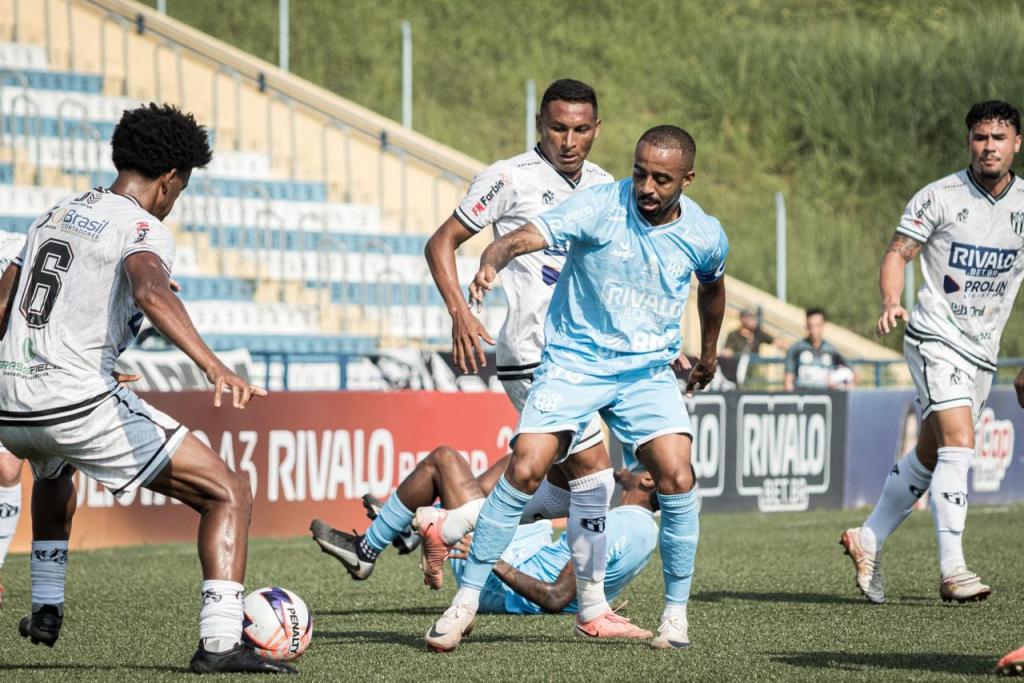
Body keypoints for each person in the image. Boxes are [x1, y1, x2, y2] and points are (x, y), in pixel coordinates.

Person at [0, 104, 293, 674]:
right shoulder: (143, 226)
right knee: (228, 490)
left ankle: (46, 608)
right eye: (180, 189)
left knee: (54, 465)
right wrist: (214, 366)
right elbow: (153, 293)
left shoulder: (54, 213)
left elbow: (3, 300)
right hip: (75, 402)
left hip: (11, 404)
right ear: (168, 181)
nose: (175, 199)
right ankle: (219, 643)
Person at [423, 124, 728, 652]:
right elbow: (529, 235)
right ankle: (464, 602)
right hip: (575, 364)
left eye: (661, 179)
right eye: (639, 174)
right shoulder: (599, 205)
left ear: (687, 179)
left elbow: (713, 289)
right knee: (526, 465)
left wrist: (710, 351)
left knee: (676, 476)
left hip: (645, 372)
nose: (647, 188)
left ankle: (673, 616)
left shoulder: (704, 232)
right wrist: (494, 257)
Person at [418, 78, 630, 637]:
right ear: (540, 124)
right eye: (558, 127)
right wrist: (461, 311)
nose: (569, 140)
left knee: (554, 480)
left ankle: (449, 523)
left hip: (582, 355)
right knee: (594, 478)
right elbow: (441, 242)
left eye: (581, 129)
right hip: (533, 352)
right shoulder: (507, 178)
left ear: (596, 129)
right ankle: (588, 610)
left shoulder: (607, 187)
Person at [840, 100, 1024, 606]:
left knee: (930, 451)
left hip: (983, 350)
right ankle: (953, 568)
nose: (989, 147)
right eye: (980, 138)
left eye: (999, 138)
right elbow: (898, 251)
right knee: (959, 444)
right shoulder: (939, 196)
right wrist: (891, 301)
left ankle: (869, 537)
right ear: (969, 142)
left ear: (1016, 144)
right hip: (934, 337)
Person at [311, 446, 658, 614]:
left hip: (503, 580)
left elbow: (556, 596)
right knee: (526, 462)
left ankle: (367, 551)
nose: (627, 461)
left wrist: (492, 559)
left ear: (648, 479)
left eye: (640, 460)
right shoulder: (642, 530)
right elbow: (593, 579)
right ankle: (417, 527)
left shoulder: (619, 523)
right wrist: (601, 603)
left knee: (443, 460)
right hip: (529, 553)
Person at [783, 308, 852, 390]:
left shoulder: (832, 350)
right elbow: (788, 380)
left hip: (827, 399)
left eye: (817, 325)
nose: (814, 330)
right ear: (806, 326)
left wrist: (837, 383)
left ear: (823, 325)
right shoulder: (796, 349)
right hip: (802, 397)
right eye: (811, 325)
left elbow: (852, 374)